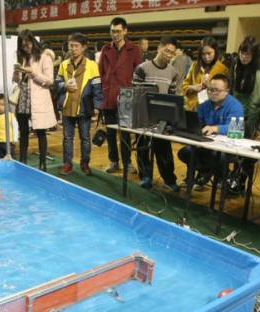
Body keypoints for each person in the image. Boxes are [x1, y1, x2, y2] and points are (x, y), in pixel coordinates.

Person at [132, 36, 180, 191]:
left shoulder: (173, 72)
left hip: (162, 119)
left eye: (172, 53)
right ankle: (145, 176)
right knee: (143, 147)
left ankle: (169, 179)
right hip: (143, 117)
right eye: (167, 51)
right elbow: (135, 93)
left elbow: (172, 96)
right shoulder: (142, 68)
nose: (169, 55)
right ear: (159, 48)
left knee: (164, 150)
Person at [177, 75, 244, 184]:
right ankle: (209, 173)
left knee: (214, 157)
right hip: (207, 144)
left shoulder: (235, 106)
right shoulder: (203, 106)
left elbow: (236, 130)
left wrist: (215, 128)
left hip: (227, 147)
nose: (213, 93)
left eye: (217, 90)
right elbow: (197, 124)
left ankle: (218, 176)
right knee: (185, 153)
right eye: (210, 90)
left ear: (226, 91)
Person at [98, 16, 142, 174]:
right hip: (109, 96)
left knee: (125, 133)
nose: (115, 34)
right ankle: (114, 161)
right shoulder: (105, 49)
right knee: (110, 133)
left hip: (127, 97)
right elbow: (101, 72)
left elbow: (139, 74)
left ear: (125, 31)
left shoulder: (134, 50)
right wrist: (104, 90)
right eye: (112, 31)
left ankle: (127, 162)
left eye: (118, 31)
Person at [56, 32, 102, 175]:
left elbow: (97, 87)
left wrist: (97, 106)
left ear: (83, 47)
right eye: (71, 46)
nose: (73, 49)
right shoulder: (63, 64)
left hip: (84, 107)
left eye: (76, 46)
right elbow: (57, 83)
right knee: (67, 138)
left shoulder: (92, 65)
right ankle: (67, 164)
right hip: (68, 106)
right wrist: (64, 86)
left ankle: (85, 164)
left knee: (85, 138)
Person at [13, 29, 57, 170]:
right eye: (22, 45)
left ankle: (42, 165)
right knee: (23, 132)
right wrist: (16, 72)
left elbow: (49, 81)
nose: (25, 47)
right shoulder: (22, 57)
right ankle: (22, 161)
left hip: (38, 99)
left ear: (33, 42)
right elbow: (17, 81)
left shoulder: (44, 57)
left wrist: (32, 72)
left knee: (40, 132)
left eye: (27, 44)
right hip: (23, 97)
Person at [228, 36, 260, 139]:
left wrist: (249, 126)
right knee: (231, 143)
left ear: (254, 55)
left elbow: (255, 103)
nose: (243, 57)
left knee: (242, 144)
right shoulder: (236, 66)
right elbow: (232, 91)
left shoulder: (257, 72)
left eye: (248, 54)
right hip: (235, 115)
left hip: (248, 117)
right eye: (242, 53)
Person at [181, 37, 229, 112]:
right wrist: (192, 88)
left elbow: (224, 94)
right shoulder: (195, 65)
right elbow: (183, 86)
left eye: (209, 53)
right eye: (203, 54)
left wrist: (209, 87)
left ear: (215, 51)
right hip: (191, 109)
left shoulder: (223, 69)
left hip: (211, 111)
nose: (206, 57)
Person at [0, 93, 18, 159]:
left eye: (2, 105)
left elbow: (15, 128)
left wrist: (15, 139)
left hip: (9, 143)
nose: (0, 107)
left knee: (10, 158)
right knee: (0, 157)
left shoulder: (11, 116)